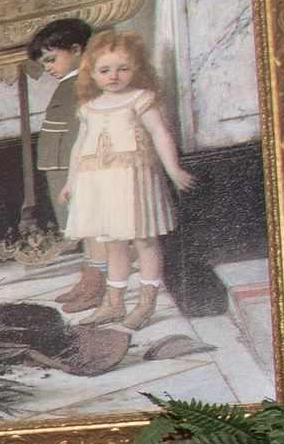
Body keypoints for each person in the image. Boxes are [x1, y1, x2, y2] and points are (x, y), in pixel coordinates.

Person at [61, 28, 195, 329]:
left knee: (145, 240)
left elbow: (160, 134)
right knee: (114, 244)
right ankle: (114, 304)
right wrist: (71, 182)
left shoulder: (141, 99)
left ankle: (146, 304)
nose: (114, 76)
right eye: (105, 70)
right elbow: (79, 148)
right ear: (92, 73)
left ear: (136, 69)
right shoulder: (89, 108)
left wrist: (173, 170)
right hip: (101, 183)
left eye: (123, 69)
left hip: (135, 182)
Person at [25, 17, 97, 307]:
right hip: (61, 167)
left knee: (92, 229)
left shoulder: (86, 83)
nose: (48, 68)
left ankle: (96, 284)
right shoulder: (70, 83)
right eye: (44, 63)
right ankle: (89, 279)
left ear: (77, 50)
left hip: (76, 168)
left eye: (52, 59)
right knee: (81, 229)